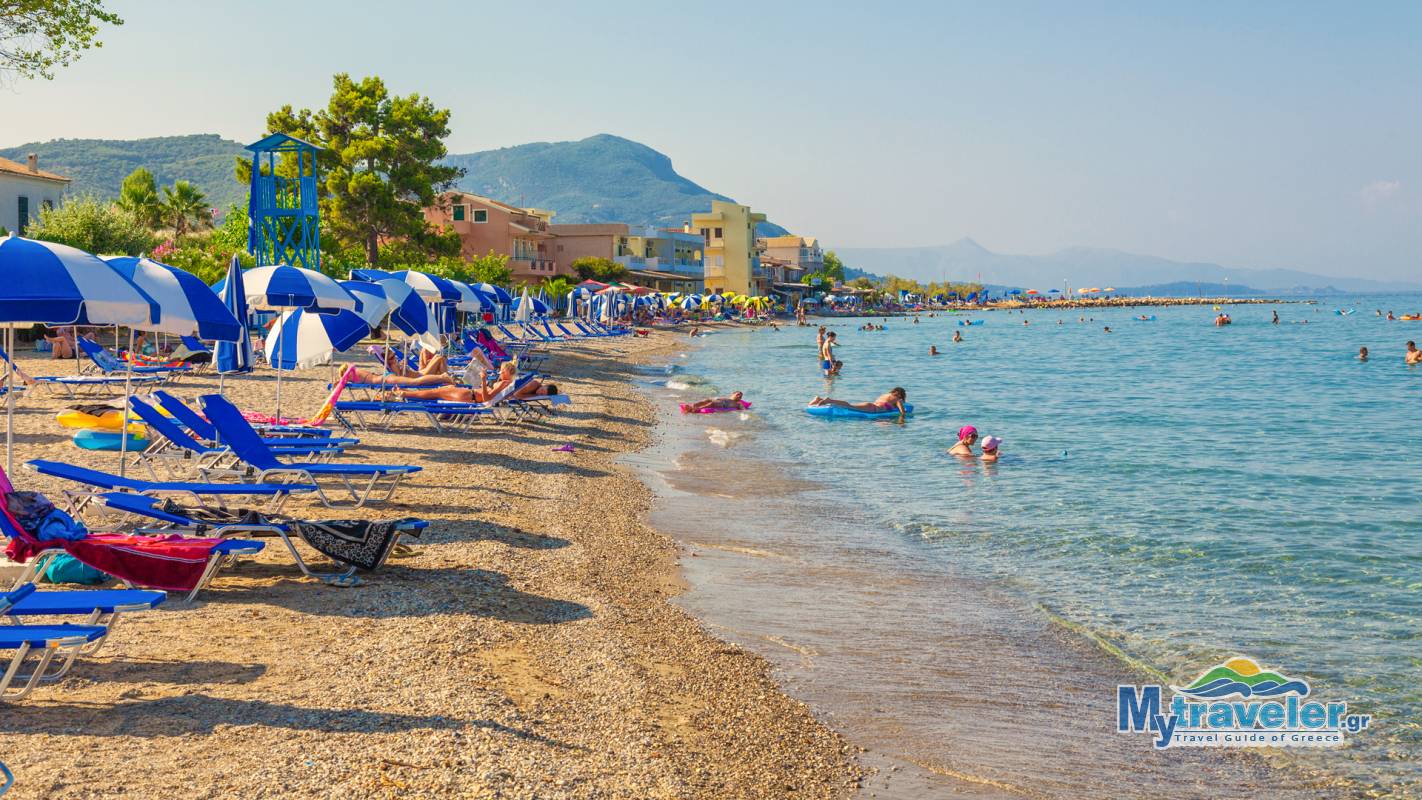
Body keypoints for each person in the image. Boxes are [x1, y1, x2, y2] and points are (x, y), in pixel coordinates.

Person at [397, 361, 557, 403]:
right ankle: (406, 394)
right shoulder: (504, 383)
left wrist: (483, 379)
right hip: (471, 394)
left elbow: (487, 398)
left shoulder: (503, 384)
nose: (500, 372)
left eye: (502, 371)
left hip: (471, 396)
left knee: (436, 392)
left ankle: (405, 394)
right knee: (436, 391)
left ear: (508, 373)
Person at [809, 387, 906, 415]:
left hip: (870, 405)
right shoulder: (898, 399)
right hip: (872, 409)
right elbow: (903, 413)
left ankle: (818, 399)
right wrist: (902, 422)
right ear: (900, 395)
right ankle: (829, 400)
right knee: (849, 406)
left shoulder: (885, 395)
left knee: (850, 406)